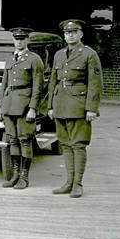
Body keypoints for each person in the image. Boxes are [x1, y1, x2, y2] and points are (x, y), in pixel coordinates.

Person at [48, 19, 103, 198]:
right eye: (67, 33)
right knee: (65, 145)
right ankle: (68, 183)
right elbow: (53, 82)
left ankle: (77, 184)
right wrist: (50, 106)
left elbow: (95, 84)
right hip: (60, 105)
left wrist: (91, 108)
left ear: (81, 34)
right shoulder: (59, 55)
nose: (70, 35)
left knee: (78, 145)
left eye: (74, 32)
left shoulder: (89, 54)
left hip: (79, 106)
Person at [0, 27, 44, 190]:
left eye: (22, 39)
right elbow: (4, 84)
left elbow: (38, 87)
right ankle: (15, 175)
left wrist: (33, 108)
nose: (19, 41)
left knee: (25, 140)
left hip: (24, 105)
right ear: (13, 41)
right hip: (9, 104)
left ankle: (24, 176)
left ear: (28, 41)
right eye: (17, 39)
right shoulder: (10, 59)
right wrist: (0, 105)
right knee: (12, 140)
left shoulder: (34, 59)